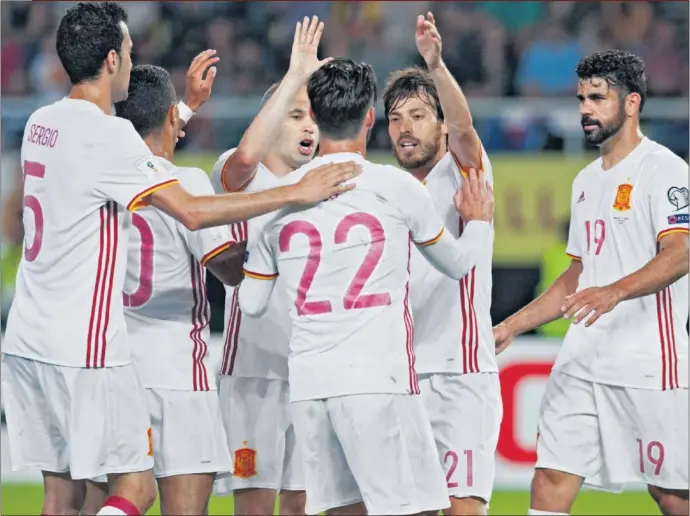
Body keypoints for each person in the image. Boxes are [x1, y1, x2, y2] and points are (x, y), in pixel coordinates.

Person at [0, 3, 358, 516]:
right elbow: (190, 209)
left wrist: (181, 110)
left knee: (61, 499)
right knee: (138, 493)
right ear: (109, 60)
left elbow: (135, 153)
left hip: (28, 339)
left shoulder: (42, 122)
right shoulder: (113, 139)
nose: (130, 58)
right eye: (126, 50)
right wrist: (291, 196)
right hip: (92, 348)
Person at [238, 57, 495, 516]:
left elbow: (252, 302)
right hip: (379, 379)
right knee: (413, 510)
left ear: (314, 118)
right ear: (372, 119)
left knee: (344, 511)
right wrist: (477, 224)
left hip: (310, 385)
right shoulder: (393, 186)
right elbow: (457, 265)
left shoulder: (281, 198)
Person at [493, 49, 689, 515]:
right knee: (550, 480)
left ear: (632, 103)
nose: (585, 108)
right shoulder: (585, 181)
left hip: (647, 363)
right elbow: (578, 275)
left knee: (671, 495)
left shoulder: (664, 171)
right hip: (582, 360)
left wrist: (614, 291)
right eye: (581, 98)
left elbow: (681, 252)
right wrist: (511, 326)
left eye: (597, 98)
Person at [382, 13, 501, 515]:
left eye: (417, 115)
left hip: (460, 372)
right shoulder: (387, 190)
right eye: (395, 118)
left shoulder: (463, 173)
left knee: (461, 509)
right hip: (401, 376)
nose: (404, 128)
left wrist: (434, 62)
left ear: (439, 124)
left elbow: (466, 128)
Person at [210, 16, 330, 515]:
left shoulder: (327, 186)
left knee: (301, 507)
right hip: (252, 372)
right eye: (296, 114)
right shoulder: (239, 174)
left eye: (314, 118)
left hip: (310, 371)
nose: (309, 126)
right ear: (271, 116)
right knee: (254, 507)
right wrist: (296, 74)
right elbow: (242, 159)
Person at [116, 63, 244, 515]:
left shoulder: (107, 183)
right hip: (178, 375)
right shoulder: (186, 183)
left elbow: (148, 148)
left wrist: (183, 109)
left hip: (119, 369)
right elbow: (230, 272)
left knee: (111, 500)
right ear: (170, 117)